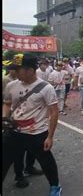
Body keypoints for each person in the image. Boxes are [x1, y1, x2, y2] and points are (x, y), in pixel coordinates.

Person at [2, 54, 62, 195]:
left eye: (17, 70)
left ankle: (55, 186)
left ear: (29, 70)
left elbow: (54, 112)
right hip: (14, 132)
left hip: (36, 134)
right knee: (4, 161)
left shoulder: (46, 88)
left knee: (46, 161)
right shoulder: (11, 85)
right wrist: (4, 117)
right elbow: (7, 103)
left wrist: (50, 137)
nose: (14, 73)